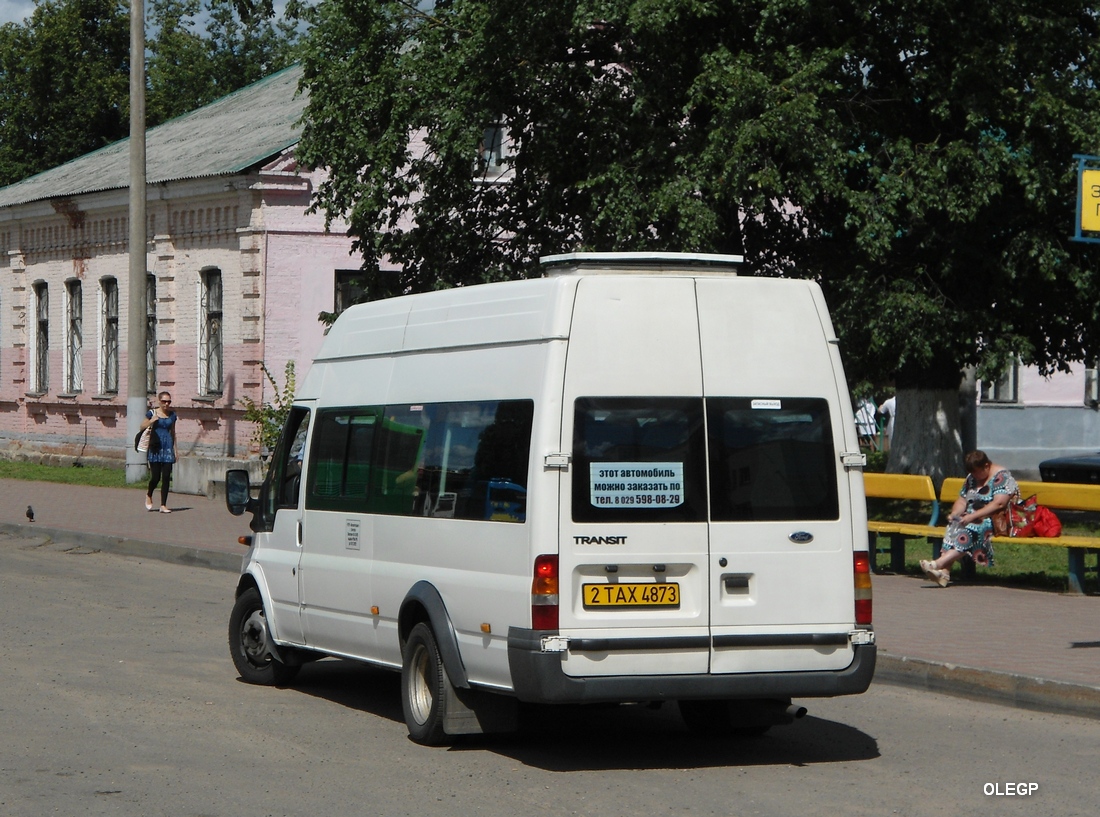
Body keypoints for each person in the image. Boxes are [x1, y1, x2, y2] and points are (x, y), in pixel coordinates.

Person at [920, 450, 1018, 587]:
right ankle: (944, 573)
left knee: (972, 528)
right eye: (972, 473)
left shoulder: (1002, 477)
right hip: (972, 517)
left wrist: (973, 516)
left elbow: (999, 503)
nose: (975, 476)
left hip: (995, 520)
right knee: (953, 527)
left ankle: (938, 563)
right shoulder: (972, 478)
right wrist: (955, 514)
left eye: (977, 472)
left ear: (986, 466)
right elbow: (962, 500)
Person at [142, 391, 178, 513]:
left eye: (169, 401)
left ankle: (163, 505)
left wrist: (175, 450)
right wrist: (151, 420)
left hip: (167, 447)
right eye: (164, 401)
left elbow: (173, 432)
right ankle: (149, 494)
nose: (167, 404)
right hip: (155, 447)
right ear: (159, 401)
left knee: (167, 477)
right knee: (156, 477)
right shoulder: (152, 413)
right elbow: (141, 426)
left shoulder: (172, 415)